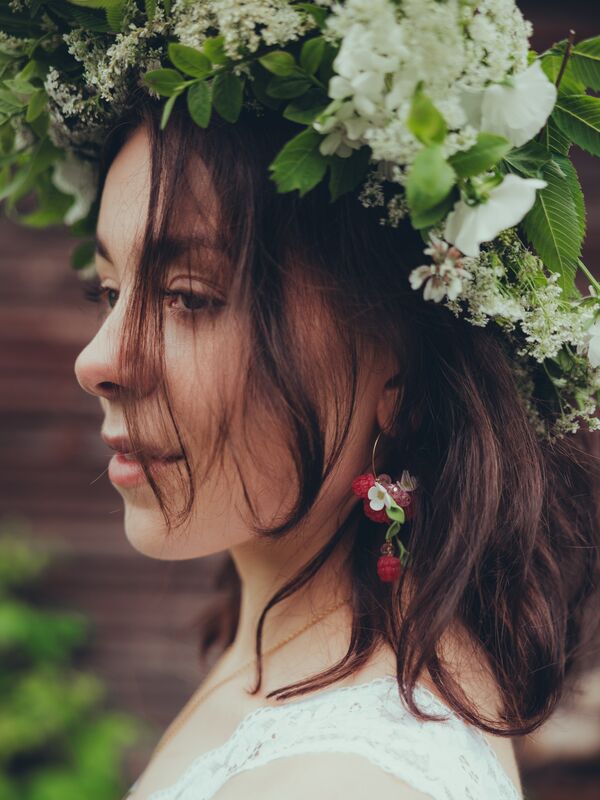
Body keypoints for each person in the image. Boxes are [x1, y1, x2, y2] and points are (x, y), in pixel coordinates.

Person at [3, 2, 600, 798]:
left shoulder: (339, 778)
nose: (98, 359)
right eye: (107, 291)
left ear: (404, 380)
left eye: (188, 297)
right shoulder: (292, 646)